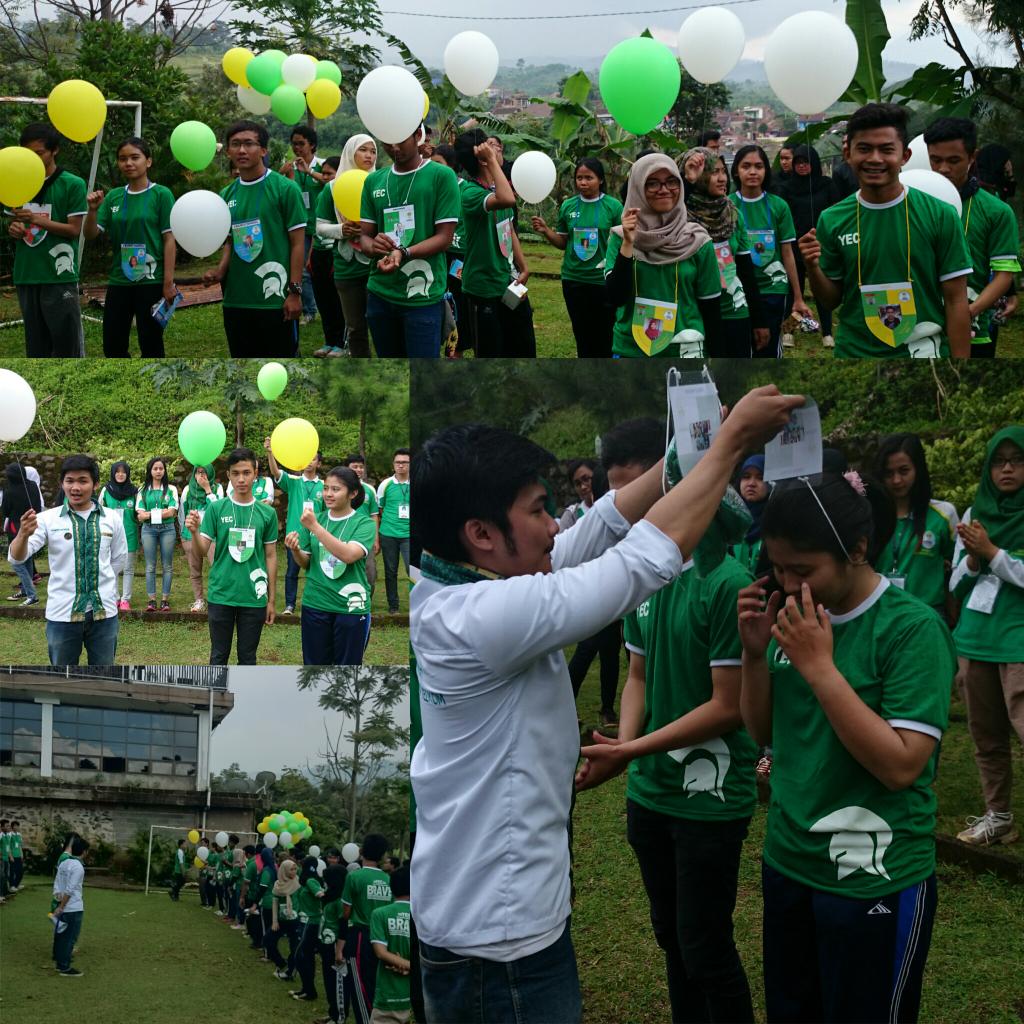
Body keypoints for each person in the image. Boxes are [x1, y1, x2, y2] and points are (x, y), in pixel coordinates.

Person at [409, 387, 801, 1023]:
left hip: (488, 916)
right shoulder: (479, 616)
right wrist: (728, 449)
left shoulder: (469, 581)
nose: (554, 525)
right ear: (481, 533)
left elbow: (600, 528)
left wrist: (683, 454)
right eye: (539, 511)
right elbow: (637, 562)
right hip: (500, 942)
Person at [737, 471, 954, 1023]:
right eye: (777, 567)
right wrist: (756, 656)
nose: (784, 583)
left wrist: (818, 667)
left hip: (874, 874)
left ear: (857, 549)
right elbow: (764, 732)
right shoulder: (794, 618)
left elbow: (902, 765)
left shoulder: (910, 629)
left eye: (801, 569)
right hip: (790, 860)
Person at [575, 514, 758, 1023]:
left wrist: (629, 752)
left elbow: (729, 706)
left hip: (710, 800)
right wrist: (625, 748)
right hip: (650, 793)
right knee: (673, 939)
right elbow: (637, 675)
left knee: (706, 948)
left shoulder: (729, 584)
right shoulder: (647, 581)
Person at [798, 102, 973, 359]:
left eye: (886, 150)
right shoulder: (832, 219)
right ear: (848, 154)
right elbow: (830, 300)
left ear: (905, 156)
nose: (875, 159)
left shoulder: (940, 214)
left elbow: (957, 301)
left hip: (923, 353)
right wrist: (812, 266)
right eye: (865, 149)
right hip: (854, 353)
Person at [949, 426, 1024, 846]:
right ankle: (999, 817)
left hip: (1018, 641)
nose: (1007, 468)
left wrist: (992, 552)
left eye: (1016, 460)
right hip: (975, 639)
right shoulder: (975, 511)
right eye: (999, 461)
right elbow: (957, 581)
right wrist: (976, 559)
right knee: (986, 737)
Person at [8, 454, 127, 665]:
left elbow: (118, 560)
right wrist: (22, 535)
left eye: (83, 480)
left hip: (104, 614)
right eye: (69, 481)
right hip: (62, 615)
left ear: (95, 484)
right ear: (62, 483)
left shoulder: (112, 518)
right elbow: (17, 557)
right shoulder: (47, 519)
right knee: (62, 680)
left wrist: (101, 582)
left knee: (104, 679)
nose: (75, 488)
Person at [204, 121, 307, 357]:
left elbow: (298, 243)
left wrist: (294, 292)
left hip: (275, 299)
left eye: (249, 144)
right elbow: (231, 241)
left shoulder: (285, 189)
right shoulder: (226, 195)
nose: (241, 150)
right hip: (236, 300)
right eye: (235, 145)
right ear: (228, 151)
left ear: (263, 150)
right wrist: (220, 271)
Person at [604, 153, 722, 358]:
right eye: (652, 183)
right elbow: (615, 297)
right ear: (637, 188)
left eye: (671, 182)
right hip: (632, 349)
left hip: (686, 351)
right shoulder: (619, 237)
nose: (664, 190)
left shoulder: (697, 240)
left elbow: (711, 308)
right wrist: (629, 243)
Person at [359, 123, 460, 358]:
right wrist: (373, 247)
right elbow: (364, 236)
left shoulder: (440, 176)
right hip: (380, 294)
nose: (393, 147)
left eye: (400, 140)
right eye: (386, 140)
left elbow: (444, 238)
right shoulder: (374, 181)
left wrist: (403, 252)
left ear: (417, 135)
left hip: (422, 296)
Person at [924, 117, 1021, 358]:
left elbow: (1003, 275)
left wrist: (968, 313)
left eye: (953, 160)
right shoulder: (914, 204)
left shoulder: (996, 211)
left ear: (972, 156)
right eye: (935, 160)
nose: (943, 168)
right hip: (921, 331)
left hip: (974, 331)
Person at [83, 136, 176, 357]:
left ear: (149, 162)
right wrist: (93, 210)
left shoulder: (161, 194)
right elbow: (90, 233)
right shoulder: (114, 197)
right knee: (113, 345)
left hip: (151, 280)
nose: (129, 163)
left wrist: (168, 283)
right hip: (120, 278)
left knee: (150, 342)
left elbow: (169, 239)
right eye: (123, 159)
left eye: (135, 157)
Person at [187, 447, 279, 665]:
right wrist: (194, 532)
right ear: (228, 475)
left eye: (246, 473)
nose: (241, 479)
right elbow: (201, 550)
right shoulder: (217, 509)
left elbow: (271, 556)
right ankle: (214, 699)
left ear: (255, 474)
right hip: (221, 594)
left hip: (254, 597)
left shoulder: (268, 513)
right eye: (236, 473)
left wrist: (272, 599)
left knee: (248, 658)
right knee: (218, 655)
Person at [7, 122, 87, 357]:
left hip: (59, 274)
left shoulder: (72, 184)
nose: (33, 158)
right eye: (27, 153)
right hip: (27, 274)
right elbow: (15, 223)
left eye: (39, 153)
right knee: (36, 348)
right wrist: (15, 227)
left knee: (66, 347)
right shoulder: (17, 182)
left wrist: (35, 219)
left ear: (54, 151)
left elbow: (73, 229)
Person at [455, 129, 536, 358]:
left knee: (523, 346)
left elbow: (508, 228)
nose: (497, 149)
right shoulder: (471, 193)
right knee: (492, 352)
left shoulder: (493, 188)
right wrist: (491, 162)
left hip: (509, 281)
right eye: (491, 147)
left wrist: (523, 266)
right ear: (482, 158)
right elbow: (508, 199)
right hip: (484, 288)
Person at [531, 158, 624, 358]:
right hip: (573, 281)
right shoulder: (568, 206)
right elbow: (563, 243)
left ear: (600, 180)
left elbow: (623, 242)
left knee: (605, 335)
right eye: (579, 178)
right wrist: (546, 231)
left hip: (603, 281)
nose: (583, 182)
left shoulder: (614, 207)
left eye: (588, 178)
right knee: (582, 335)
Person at [682, 146, 769, 358]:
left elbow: (746, 271)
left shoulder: (732, 213)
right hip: (696, 313)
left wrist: (759, 320)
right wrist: (686, 181)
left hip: (734, 310)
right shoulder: (679, 216)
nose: (722, 178)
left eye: (723, 171)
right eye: (713, 172)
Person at [285, 465, 376, 665]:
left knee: (347, 671)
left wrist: (315, 527)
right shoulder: (315, 521)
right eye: (325, 488)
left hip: (351, 607)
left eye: (336, 489)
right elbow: (307, 563)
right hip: (315, 603)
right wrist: (295, 550)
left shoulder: (364, 524)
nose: (328, 494)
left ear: (352, 493)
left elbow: (349, 555)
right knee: (315, 669)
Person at [730, 144, 809, 358]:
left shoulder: (779, 206)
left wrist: (798, 297)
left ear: (766, 171)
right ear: (736, 170)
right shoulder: (727, 206)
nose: (753, 171)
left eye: (759, 166)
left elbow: (787, 253)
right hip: (739, 291)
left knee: (769, 346)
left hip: (773, 290)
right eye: (746, 166)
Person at [561, 460, 622, 725]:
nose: (584, 486)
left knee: (611, 652)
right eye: (578, 482)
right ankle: (565, 704)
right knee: (586, 649)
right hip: (587, 591)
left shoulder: (617, 512)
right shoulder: (574, 514)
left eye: (587, 479)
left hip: (613, 590)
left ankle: (607, 708)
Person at [872, 434, 958, 621]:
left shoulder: (944, 515)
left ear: (918, 469)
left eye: (904, 471)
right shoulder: (872, 516)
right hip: (882, 614)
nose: (896, 480)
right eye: (889, 473)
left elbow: (955, 566)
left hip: (929, 615)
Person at [317, 133, 377, 358]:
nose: (369, 155)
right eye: (363, 150)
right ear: (350, 152)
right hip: (346, 266)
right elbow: (320, 227)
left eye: (373, 151)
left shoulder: (380, 183)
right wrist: (341, 230)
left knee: (382, 325)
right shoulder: (332, 188)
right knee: (355, 328)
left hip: (377, 265)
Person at [777, 145, 841, 349]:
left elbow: (834, 211)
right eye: (798, 163)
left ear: (813, 163)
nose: (802, 166)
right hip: (794, 245)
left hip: (820, 244)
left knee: (820, 288)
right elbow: (784, 217)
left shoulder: (827, 184)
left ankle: (827, 333)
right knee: (792, 290)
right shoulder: (786, 187)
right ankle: (789, 331)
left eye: (806, 162)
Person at [265, 438, 324, 617]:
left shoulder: (325, 486)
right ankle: (290, 605)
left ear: (319, 463)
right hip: (295, 534)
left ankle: (316, 602)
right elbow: (275, 472)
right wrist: (270, 452)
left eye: (313, 459)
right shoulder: (294, 481)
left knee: (317, 571)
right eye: (306, 459)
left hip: (316, 536)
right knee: (292, 571)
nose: (309, 463)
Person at [342, 834, 393, 1024]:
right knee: (376, 982)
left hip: (361, 935)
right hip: (385, 937)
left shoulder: (354, 876)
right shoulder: (389, 879)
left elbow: (345, 913)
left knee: (360, 983)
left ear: (361, 851)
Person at [431, 144, 474, 356]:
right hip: (439, 254)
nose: (434, 169)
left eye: (439, 164)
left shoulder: (466, 189)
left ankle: (457, 349)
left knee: (459, 306)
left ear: (453, 166)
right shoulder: (431, 188)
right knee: (444, 303)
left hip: (462, 258)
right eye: (431, 164)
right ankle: (450, 348)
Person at [280, 125, 325, 325]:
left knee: (320, 271)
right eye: (294, 144)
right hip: (300, 227)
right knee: (302, 271)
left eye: (301, 144)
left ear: (312, 145)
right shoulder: (290, 168)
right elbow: (289, 196)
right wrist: (287, 177)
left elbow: (332, 182)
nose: (297, 148)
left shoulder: (322, 165)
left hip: (322, 227)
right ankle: (309, 310)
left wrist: (309, 172)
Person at [308, 155, 346, 357]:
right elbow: (318, 227)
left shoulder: (343, 191)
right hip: (318, 254)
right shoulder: (324, 192)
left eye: (329, 173)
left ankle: (341, 342)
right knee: (323, 301)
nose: (325, 177)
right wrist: (311, 254)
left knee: (337, 301)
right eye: (323, 173)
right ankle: (329, 340)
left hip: (335, 253)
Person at [370, 864, 412, 1024]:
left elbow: (381, 952)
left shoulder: (380, 914)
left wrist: (405, 964)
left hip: (389, 995)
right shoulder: (423, 916)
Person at [179, 464, 223, 613]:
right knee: (194, 570)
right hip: (191, 535)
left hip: (213, 535)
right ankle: (199, 600)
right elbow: (182, 513)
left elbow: (218, 509)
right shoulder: (187, 489)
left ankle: (216, 598)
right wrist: (183, 533)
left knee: (216, 568)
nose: (201, 476)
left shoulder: (217, 489)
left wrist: (207, 489)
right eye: (198, 473)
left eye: (204, 472)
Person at [137, 456, 178, 613]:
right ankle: (152, 600)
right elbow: (140, 516)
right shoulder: (143, 490)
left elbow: (172, 512)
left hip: (167, 529)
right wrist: (163, 511)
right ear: (150, 470)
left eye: (161, 468)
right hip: (149, 530)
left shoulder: (171, 489)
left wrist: (150, 514)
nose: (159, 471)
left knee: (167, 565)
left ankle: (165, 600)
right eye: (155, 468)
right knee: (150, 566)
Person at [97, 462, 139, 611]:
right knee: (111, 567)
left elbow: (138, 512)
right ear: (113, 473)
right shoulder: (106, 491)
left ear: (127, 474)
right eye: (117, 472)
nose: (120, 475)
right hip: (109, 535)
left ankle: (125, 600)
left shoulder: (134, 491)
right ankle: (114, 597)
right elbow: (99, 511)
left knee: (128, 568)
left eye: (123, 472)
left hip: (130, 534)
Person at [2, 463, 43, 606]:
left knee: (16, 561)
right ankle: (26, 590)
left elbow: (6, 511)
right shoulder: (32, 485)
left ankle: (32, 595)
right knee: (28, 557)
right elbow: (37, 506)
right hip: (33, 524)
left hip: (17, 528)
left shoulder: (9, 491)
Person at [377, 450, 410, 615]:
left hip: (409, 535)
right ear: (393, 464)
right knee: (390, 571)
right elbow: (380, 508)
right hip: (388, 533)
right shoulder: (385, 484)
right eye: (398, 462)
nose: (401, 465)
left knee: (413, 570)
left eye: (405, 462)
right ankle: (393, 606)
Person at [52, 835, 90, 976]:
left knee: (61, 936)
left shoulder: (64, 863)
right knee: (70, 937)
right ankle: (64, 967)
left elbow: (57, 884)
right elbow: (70, 889)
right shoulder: (78, 866)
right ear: (84, 852)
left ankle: (59, 962)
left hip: (62, 905)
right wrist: (62, 906)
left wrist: (58, 901)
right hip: (72, 907)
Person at [346, 454, 381, 594]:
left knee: (370, 572)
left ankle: (367, 603)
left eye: (361, 467)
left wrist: (376, 539)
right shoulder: (340, 488)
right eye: (355, 466)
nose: (359, 469)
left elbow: (374, 515)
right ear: (346, 468)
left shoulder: (369, 490)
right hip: (345, 535)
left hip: (366, 537)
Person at [291, 855, 324, 1002]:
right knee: (305, 957)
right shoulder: (308, 881)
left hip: (311, 922)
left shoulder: (311, 880)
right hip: (306, 921)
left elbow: (320, 894)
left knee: (301, 955)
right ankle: (307, 989)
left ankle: (309, 991)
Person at [319, 863, 349, 1024]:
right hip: (325, 942)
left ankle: (339, 1017)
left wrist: (339, 950)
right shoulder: (330, 895)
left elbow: (343, 924)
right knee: (328, 981)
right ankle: (332, 1013)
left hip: (334, 945)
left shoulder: (341, 900)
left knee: (336, 982)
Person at [733, 454, 769, 576]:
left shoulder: (777, 522)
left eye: (760, 477)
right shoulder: (729, 521)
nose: (751, 483)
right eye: (746, 477)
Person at [268, 857, 301, 981]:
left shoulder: (298, 883)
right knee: (268, 940)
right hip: (281, 921)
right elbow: (275, 903)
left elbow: (301, 901)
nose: (293, 872)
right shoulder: (278, 885)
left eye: (295, 869)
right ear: (284, 870)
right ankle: (281, 963)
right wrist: (275, 921)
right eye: (291, 870)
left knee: (294, 947)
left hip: (294, 921)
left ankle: (290, 972)